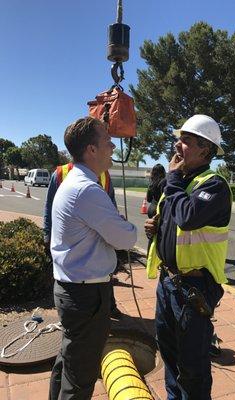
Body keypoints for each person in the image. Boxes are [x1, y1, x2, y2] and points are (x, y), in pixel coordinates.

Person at [49, 116, 137, 400]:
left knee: (68, 362)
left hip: (73, 289)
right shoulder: (87, 189)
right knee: (81, 379)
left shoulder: (76, 182)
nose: (113, 146)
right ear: (91, 150)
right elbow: (125, 238)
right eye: (107, 141)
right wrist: (126, 226)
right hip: (86, 295)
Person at [145, 114, 232, 400]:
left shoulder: (213, 185)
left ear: (205, 149)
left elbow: (188, 216)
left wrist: (172, 182)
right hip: (168, 283)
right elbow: (170, 219)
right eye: (178, 139)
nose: (177, 146)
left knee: (192, 367)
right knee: (169, 356)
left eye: (185, 140)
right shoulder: (180, 183)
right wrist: (155, 229)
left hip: (194, 289)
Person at [44, 162, 122, 319]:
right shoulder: (60, 173)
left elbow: (111, 205)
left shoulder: (104, 174)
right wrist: (47, 234)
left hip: (98, 237)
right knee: (72, 277)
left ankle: (109, 306)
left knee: (105, 274)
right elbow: (50, 206)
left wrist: (115, 224)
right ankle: (74, 312)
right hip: (71, 238)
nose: (112, 147)